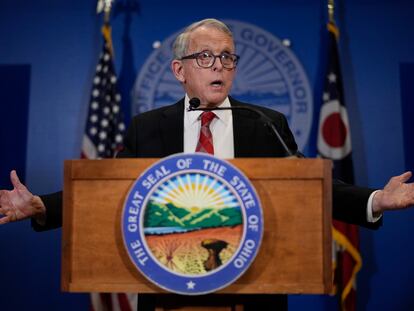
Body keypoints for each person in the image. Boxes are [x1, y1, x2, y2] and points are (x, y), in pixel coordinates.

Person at [1, 18, 414, 310]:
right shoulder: (149, 128)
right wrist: (41, 207)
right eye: (205, 56)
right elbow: (105, 193)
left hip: (254, 291)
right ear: (179, 70)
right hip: (167, 289)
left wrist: (377, 199)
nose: (218, 65)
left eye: (227, 57)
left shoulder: (264, 123)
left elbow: (312, 188)